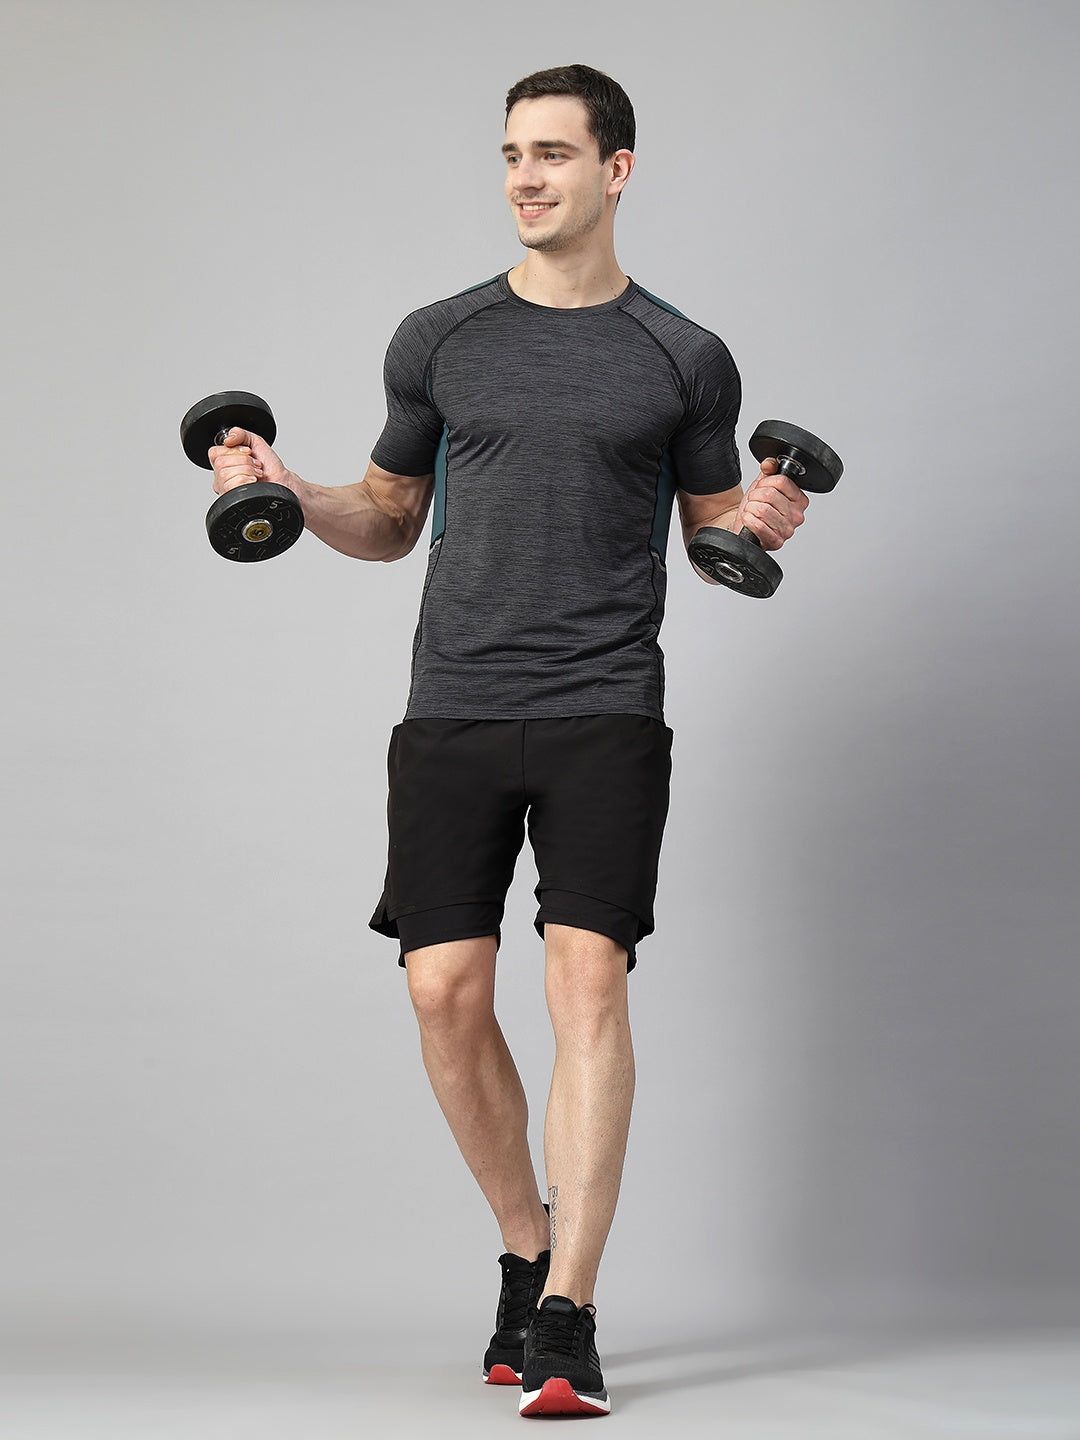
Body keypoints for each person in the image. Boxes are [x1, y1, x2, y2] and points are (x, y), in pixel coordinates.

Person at [208, 63, 810, 1418]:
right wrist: (288, 489)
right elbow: (387, 520)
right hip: (454, 703)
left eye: (552, 154)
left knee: (587, 983)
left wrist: (762, 524)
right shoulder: (440, 338)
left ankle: (569, 1315)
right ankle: (525, 1248)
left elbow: (716, 538)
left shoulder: (684, 355)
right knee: (443, 991)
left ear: (617, 169)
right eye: (510, 155)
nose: (525, 179)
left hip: (606, 703)